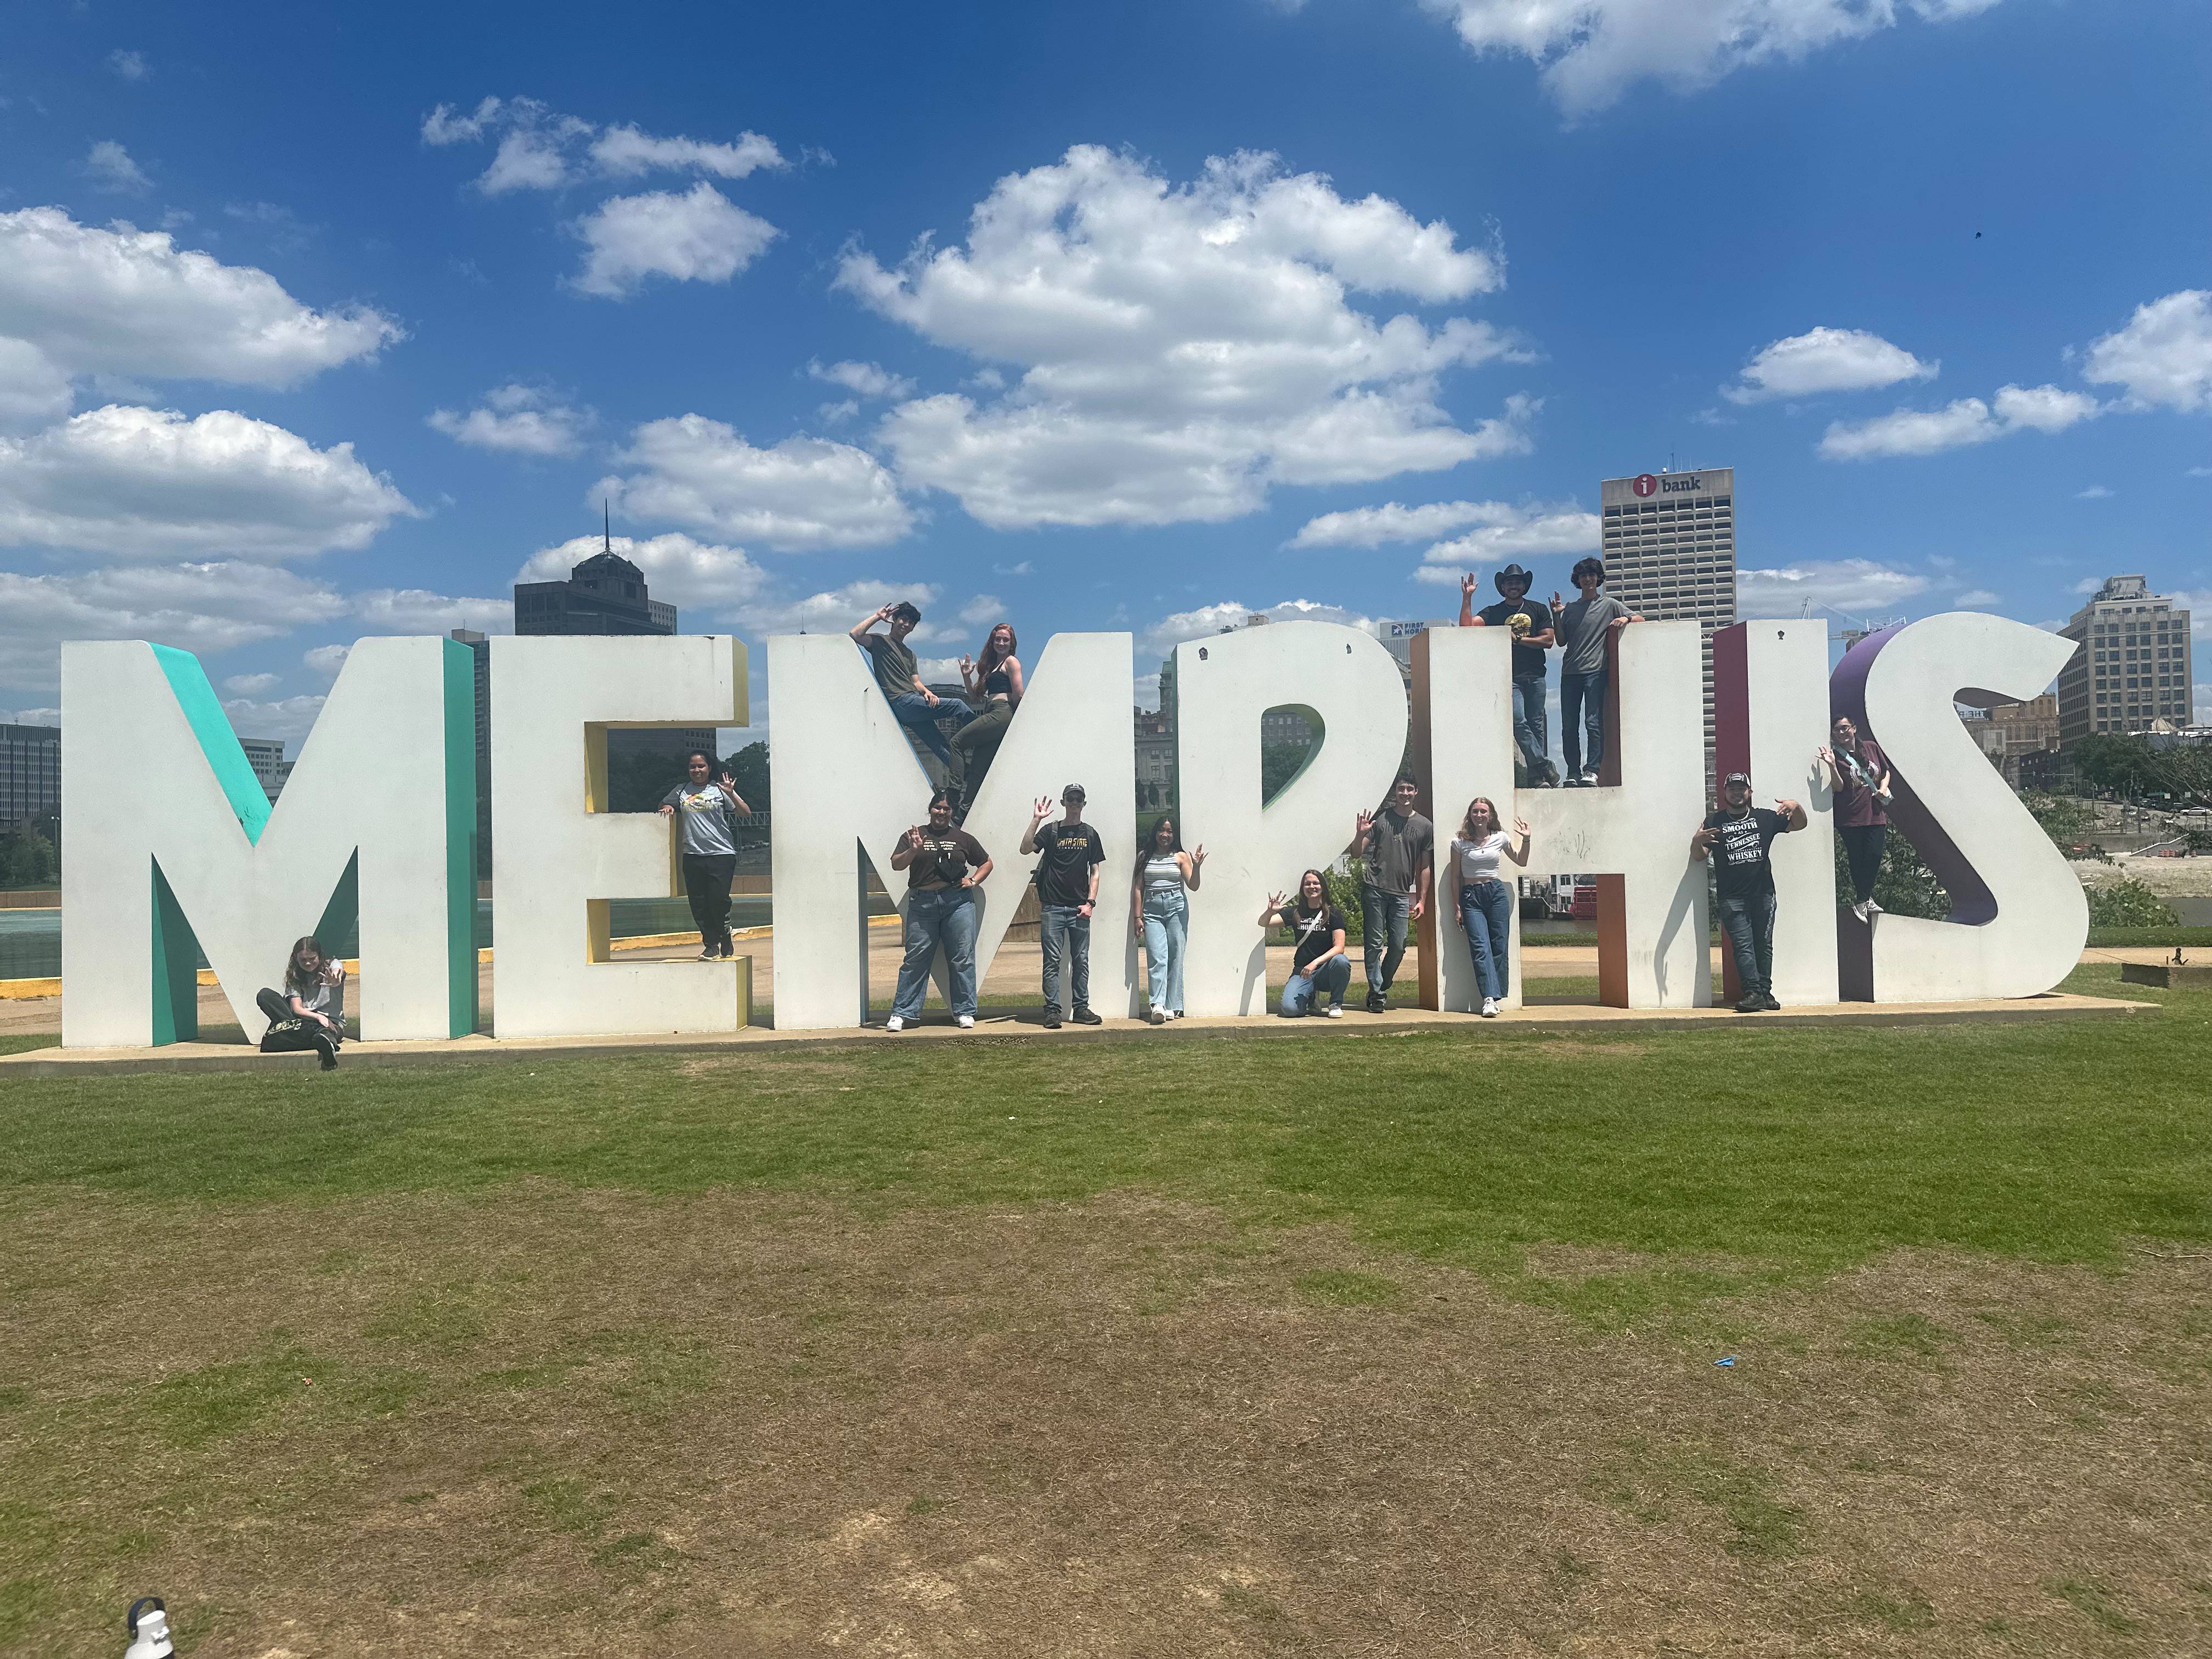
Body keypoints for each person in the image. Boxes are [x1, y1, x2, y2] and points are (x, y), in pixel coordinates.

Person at [1692, 771, 1808, 1013]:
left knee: (1764, 945)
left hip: (1764, 894)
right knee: (1744, 945)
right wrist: (1696, 841)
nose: (1737, 792)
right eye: (1732, 788)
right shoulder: (1715, 821)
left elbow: (1800, 824)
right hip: (1732, 898)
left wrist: (1796, 806)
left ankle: (1765, 993)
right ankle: (1753, 992)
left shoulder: (1765, 818)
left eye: (1741, 788)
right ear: (1725, 793)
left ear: (1750, 792)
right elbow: (1699, 855)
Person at [884, 789, 992, 1032]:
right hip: (922, 903)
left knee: (962, 957)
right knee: (915, 959)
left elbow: (987, 862)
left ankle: (964, 1011)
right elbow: (896, 865)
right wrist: (913, 849)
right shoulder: (914, 835)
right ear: (930, 809)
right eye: (937, 808)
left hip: (958, 903)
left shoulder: (963, 838)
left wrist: (973, 881)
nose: (941, 812)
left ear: (951, 813)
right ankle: (902, 1013)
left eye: (946, 809)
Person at [850, 600, 974, 787]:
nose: (906, 625)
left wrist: (928, 693)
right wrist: (877, 616)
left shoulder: (910, 654)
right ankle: (983, 733)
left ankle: (971, 778)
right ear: (895, 620)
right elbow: (855, 634)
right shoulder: (880, 641)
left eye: (911, 623)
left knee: (941, 746)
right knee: (957, 705)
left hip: (912, 703)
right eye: (904, 620)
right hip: (900, 701)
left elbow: (916, 681)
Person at [1460, 563, 1558, 786]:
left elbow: (1549, 640)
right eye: (1509, 583)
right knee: (1517, 721)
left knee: (1536, 725)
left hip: (1536, 675)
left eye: (1518, 582)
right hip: (1510, 676)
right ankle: (1544, 765)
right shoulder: (1494, 612)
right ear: (1502, 587)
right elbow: (1466, 625)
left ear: (1525, 586)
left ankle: (1536, 777)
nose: (1514, 586)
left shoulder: (1538, 609)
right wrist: (1467, 598)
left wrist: (1518, 640)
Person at [1344, 772, 1433, 1013]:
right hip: (1374, 888)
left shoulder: (1425, 826)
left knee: (1399, 945)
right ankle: (1377, 993)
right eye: (1401, 789)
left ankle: (1381, 985)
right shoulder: (1381, 818)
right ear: (1395, 791)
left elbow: (1424, 867)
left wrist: (1422, 900)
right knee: (1374, 944)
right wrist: (1361, 833)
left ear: (1416, 793)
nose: (1405, 793)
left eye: (1409, 789)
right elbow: (1355, 853)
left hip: (1401, 894)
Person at [1549, 559, 1639, 786]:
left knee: (1592, 723)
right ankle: (1573, 771)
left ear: (1598, 578)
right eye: (1583, 576)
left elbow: (1640, 618)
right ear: (1577, 580)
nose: (1587, 579)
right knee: (1569, 725)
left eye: (1591, 575)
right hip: (1570, 672)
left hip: (1596, 671)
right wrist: (1557, 616)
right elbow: (1561, 641)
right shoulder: (1570, 609)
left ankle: (1592, 770)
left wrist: (1625, 618)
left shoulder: (1610, 605)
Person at [1023, 785, 1105, 1029]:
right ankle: (1052, 1011)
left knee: (1081, 960)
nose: (1074, 803)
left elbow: (1096, 872)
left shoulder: (1090, 833)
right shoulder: (1052, 830)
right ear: (1063, 802)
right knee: (1052, 962)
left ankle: (1081, 1008)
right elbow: (1025, 848)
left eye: (1078, 799)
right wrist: (1036, 820)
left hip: (1080, 908)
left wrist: (1090, 903)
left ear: (1084, 803)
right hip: (1053, 908)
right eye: (1070, 799)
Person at [658, 750, 751, 959]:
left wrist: (731, 793)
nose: (697, 770)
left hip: (721, 854)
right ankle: (711, 945)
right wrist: (667, 807)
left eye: (701, 766)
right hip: (692, 855)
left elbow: (745, 812)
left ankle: (725, 934)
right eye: (693, 766)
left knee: (718, 900)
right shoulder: (681, 790)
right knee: (699, 903)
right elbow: (664, 803)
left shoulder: (719, 790)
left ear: (709, 768)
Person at [1445, 798, 1532, 1017]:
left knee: (1499, 946)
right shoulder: (1459, 842)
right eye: (1475, 811)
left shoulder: (1500, 838)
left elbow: (1521, 861)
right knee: (1480, 947)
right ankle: (1489, 999)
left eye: (1484, 811)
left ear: (1490, 815)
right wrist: (1457, 907)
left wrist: (1527, 840)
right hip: (1471, 896)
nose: (1480, 815)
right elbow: (1456, 877)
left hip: (1496, 893)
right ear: (1470, 815)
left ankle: (1497, 995)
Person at [1818, 715, 1893, 922]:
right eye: (1837, 730)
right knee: (1857, 859)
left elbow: (1886, 771)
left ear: (1854, 728)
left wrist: (1883, 789)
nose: (1842, 733)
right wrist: (1832, 766)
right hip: (1850, 816)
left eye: (1845, 728)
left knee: (1875, 856)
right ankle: (1863, 900)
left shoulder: (1870, 747)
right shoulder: (1836, 756)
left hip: (1875, 813)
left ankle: (1863, 899)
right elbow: (1839, 787)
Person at [1130, 814, 1204, 1024]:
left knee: (1176, 956)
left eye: (1170, 832)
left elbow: (1193, 885)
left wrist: (1196, 866)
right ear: (1155, 833)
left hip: (1177, 909)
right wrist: (1138, 917)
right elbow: (1137, 889)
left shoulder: (1180, 857)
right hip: (1152, 909)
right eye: (1162, 830)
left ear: (1174, 835)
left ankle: (1173, 1006)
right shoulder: (1144, 856)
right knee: (1157, 957)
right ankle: (1158, 1005)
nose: (1165, 835)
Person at [1260, 870, 1351, 1017]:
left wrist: (1315, 963)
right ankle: (1311, 999)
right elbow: (1264, 923)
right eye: (1307, 884)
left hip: (1325, 971)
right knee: (1290, 1010)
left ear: (1323, 887)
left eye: (1316, 883)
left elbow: (1339, 948)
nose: (1312, 887)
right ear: (1302, 889)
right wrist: (1270, 911)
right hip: (1302, 971)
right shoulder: (1295, 911)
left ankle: (1335, 1004)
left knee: (1341, 961)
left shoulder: (1333, 913)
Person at [951, 622, 1023, 809]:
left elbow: (1019, 694)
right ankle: (965, 809)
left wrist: (1017, 723)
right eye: (998, 639)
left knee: (957, 743)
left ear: (1012, 643)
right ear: (992, 642)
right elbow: (974, 697)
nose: (1001, 643)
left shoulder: (1011, 662)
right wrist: (967, 676)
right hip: (991, 711)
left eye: (1005, 640)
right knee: (978, 768)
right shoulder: (993, 666)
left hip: (1002, 712)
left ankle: (953, 790)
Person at [256, 935, 346, 1070]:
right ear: (296, 959)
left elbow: (338, 972)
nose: (308, 963)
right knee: (265, 995)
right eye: (303, 960)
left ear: (320, 956)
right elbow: (297, 1009)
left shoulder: (332, 965)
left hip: (329, 1022)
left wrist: (336, 980)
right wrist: (318, 1016)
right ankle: (313, 1037)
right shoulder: (295, 976)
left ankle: (326, 1045)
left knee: (326, 1031)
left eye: (312, 959)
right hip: (301, 1021)